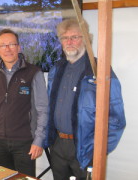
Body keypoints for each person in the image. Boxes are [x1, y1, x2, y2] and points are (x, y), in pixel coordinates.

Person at [44, 18, 126, 180]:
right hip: (58, 145)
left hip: (84, 148)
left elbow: (116, 119)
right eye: (65, 38)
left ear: (87, 39)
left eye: (75, 37)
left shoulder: (99, 71)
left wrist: (98, 152)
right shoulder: (56, 69)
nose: (69, 42)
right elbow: (48, 107)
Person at [0, 29, 48, 177]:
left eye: (12, 44)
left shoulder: (34, 72)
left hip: (24, 141)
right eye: (3, 45)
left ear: (19, 47)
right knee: (4, 178)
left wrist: (38, 140)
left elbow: (43, 109)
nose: (7, 49)